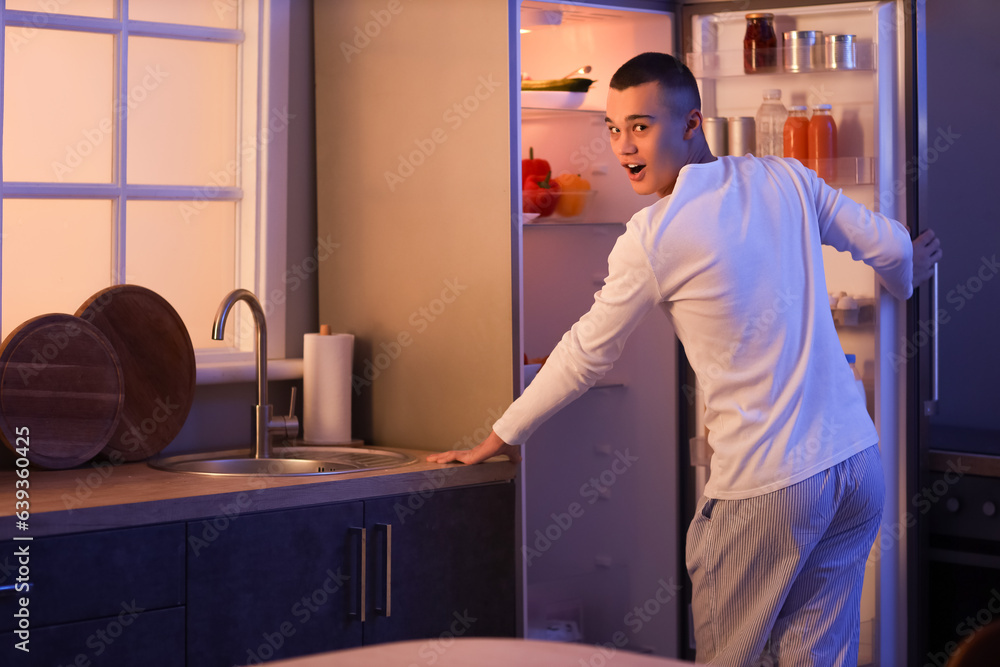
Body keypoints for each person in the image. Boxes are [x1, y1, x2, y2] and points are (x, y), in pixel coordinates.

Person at [427, 52, 942, 665]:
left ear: (692, 122)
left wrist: (499, 436)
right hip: (855, 468)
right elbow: (887, 247)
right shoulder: (785, 177)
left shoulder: (654, 235)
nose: (623, 147)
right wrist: (910, 268)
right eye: (613, 130)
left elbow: (585, 354)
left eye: (641, 127)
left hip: (767, 487)